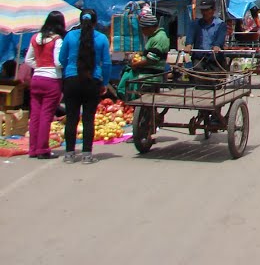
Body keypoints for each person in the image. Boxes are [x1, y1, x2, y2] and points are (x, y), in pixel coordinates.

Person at [58, 9, 111, 164]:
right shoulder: (101, 39)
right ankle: (87, 155)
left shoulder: (70, 36)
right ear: (95, 22)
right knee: (88, 119)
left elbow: (62, 59)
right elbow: (106, 63)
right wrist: (105, 82)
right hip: (92, 82)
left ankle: (69, 154)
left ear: (80, 21)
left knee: (71, 118)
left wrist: (70, 70)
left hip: (71, 81)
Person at [25, 10, 66, 159]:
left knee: (35, 115)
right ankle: (43, 149)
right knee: (46, 115)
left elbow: (28, 60)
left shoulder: (35, 38)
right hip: (51, 80)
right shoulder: (57, 40)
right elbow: (57, 62)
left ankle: (33, 149)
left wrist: (40, 66)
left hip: (36, 79)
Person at [116, 9, 170, 99]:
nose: (143, 32)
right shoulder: (154, 37)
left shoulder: (159, 38)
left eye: (143, 29)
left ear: (150, 27)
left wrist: (135, 64)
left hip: (151, 75)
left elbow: (152, 59)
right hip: (147, 73)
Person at [185, 0, 226, 70]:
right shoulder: (195, 24)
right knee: (197, 71)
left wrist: (217, 45)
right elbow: (190, 35)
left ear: (213, 10)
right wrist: (188, 44)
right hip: (199, 58)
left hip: (214, 59)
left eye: (207, 10)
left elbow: (221, 38)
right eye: (203, 10)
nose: (205, 13)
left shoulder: (220, 24)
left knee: (215, 77)